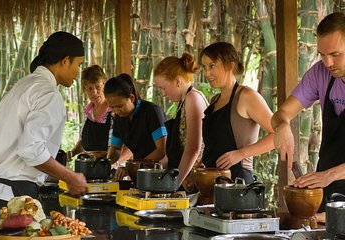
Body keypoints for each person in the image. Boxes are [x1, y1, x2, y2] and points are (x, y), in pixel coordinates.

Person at [0, 31, 88, 224]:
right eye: (78, 65)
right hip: (14, 197)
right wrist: (71, 176)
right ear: (65, 61)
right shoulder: (48, 94)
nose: (78, 72)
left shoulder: (22, 85)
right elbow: (30, 149)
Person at [272, 12, 345, 215]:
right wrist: (282, 125)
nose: (328, 63)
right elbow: (282, 113)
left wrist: (329, 175)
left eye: (335, 54)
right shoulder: (319, 73)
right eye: (322, 54)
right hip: (328, 187)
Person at [200, 42, 275, 184]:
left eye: (212, 66)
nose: (207, 73)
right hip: (211, 181)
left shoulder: (246, 96)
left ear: (230, 65)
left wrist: (241, 154)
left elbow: (277, 134)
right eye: (205, 67)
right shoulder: (215, 100)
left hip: (238, 183)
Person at [153, 53, 208, 191]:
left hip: (193, 179)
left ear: (178, 81)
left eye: (163, 88)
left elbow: (193, 149)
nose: (163, 94)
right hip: (182, 174)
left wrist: (174, 184)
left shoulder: (192, 98)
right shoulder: (182, 102)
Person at [105, 73, 167, 180]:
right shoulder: (119, 117)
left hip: (159, 172)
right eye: (112, 107)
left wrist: (132, 167)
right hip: (139, 173)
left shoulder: (152, 112)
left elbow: (161, 150)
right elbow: (115, 149)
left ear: (132, 98)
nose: (116, 111)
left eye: (120, 106)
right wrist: (105, 167)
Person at [67, 65, 113, 158]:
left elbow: (124, 146)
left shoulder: (115, 111)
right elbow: (83, 142)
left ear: (105, 85)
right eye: (90, 88)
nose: (94, 92)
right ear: (85, 90)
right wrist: (72, 153)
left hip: (112, 167)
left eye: (98, 87)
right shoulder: (88, 112)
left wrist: (110, 162)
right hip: (89, 166)